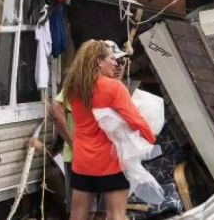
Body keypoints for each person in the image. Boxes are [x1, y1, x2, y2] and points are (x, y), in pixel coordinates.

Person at [62, 39, 155, 220]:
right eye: (112, 59)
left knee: (78, 214)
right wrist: (150, 138)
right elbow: (134, 119)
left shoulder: (73, 87)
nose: (116, 62)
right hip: (109, 162)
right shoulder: (113, 87)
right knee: (115, 215)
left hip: (82, 161)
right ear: (99, 61)